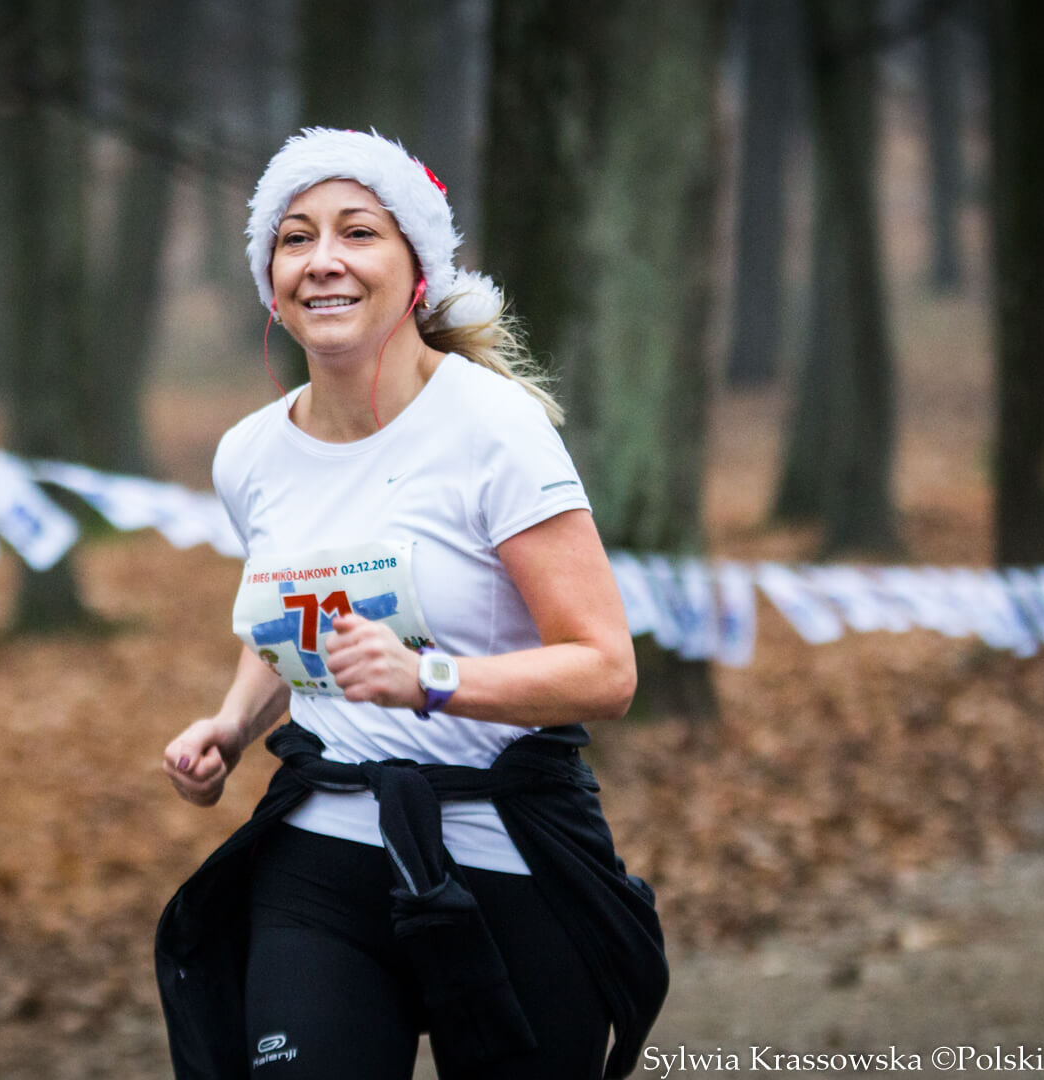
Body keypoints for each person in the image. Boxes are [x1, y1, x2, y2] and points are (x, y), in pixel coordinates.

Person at [155, 128, 666, 1080]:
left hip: (501, 855)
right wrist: (230, 725)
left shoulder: (492, 427)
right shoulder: (250, 455)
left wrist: (429, 679)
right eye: (296, 238)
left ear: (418, 268)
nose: (324, 260)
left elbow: (606, 670)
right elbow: (294, 624)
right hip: (321, 862)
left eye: (358, 232)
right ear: (271, 282)